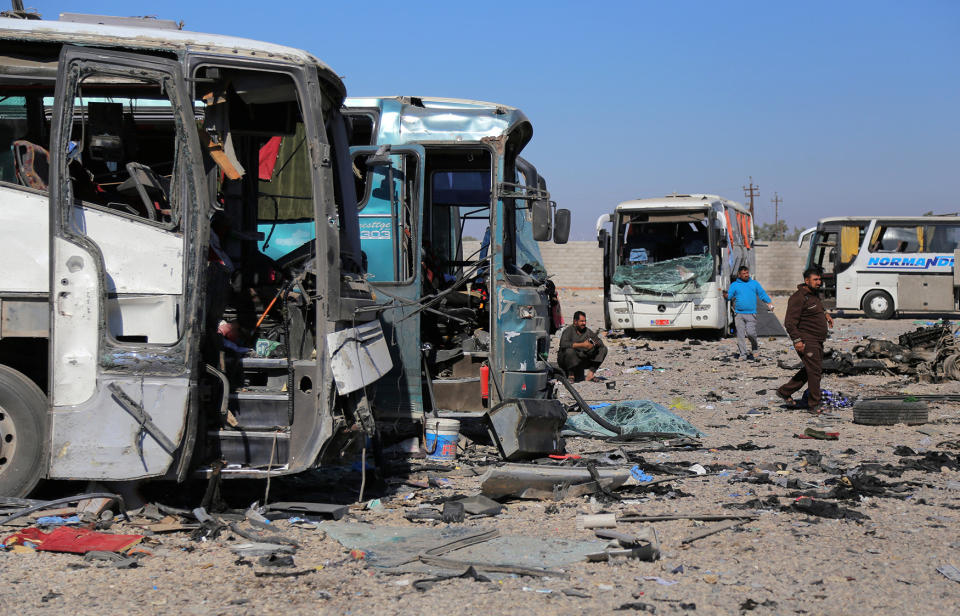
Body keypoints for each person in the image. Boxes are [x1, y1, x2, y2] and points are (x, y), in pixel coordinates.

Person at [777, 267, 834, 413]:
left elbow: (819, 308)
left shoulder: (813, 295)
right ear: (806, 281)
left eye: (819, 279)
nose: (819, 282)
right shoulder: (798, 298)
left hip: (818, 339)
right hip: (807, 340)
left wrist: (826, 315)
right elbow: (789, 322)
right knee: (815, 372)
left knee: (810, 369)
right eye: (815, 280)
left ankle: (784, 391)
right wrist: (797, 341)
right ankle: (814, 405)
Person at [724, 266, 774, 361]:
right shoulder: (734, 285)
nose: (746, 275)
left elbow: (762, 294)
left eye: (747, 273)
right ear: (739, 275)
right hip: (739, 314)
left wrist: (769, 303)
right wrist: (725, 295)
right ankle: (743, 354)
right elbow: (729, 296)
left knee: (751, 333)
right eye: (744, 273)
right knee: (740, 335)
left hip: (751, 313)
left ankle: (755, 348)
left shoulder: (754, 283)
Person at [557, 311, 607, 382]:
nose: (584, 323)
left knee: (603, 349)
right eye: (581, 321)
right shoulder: (568, 331)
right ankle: (571, 375)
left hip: (582, 359)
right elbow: (563, 344)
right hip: (566, 361)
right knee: (569, 351)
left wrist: (592, 344)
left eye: (585, 321)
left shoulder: (587, 331)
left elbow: (600, 342)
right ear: (575, 322)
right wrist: (582, 345)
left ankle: (590, 375)